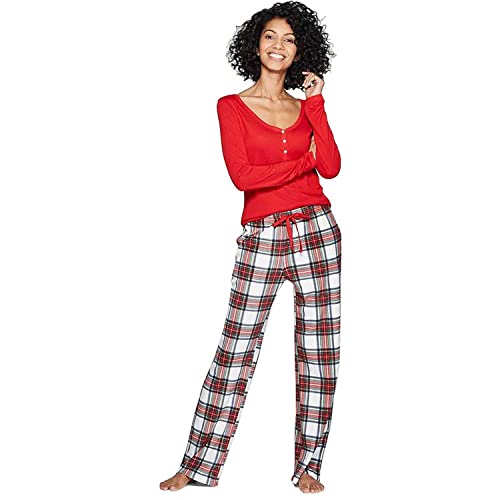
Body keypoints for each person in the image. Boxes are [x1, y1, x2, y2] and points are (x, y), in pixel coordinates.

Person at [160, 1, 341, 494]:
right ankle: (198, 463)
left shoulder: (306, 108)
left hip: (317, 230)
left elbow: (330, 165)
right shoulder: (231, 106)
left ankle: (310, 464)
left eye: (290, 39)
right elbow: (244, 176)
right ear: (255, 45)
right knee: (236, 347)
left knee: (319, 350)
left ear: (301, 51)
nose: (279, 46)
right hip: (263, 233)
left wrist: (317, 103)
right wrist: (302, 162)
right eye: (270, 36)